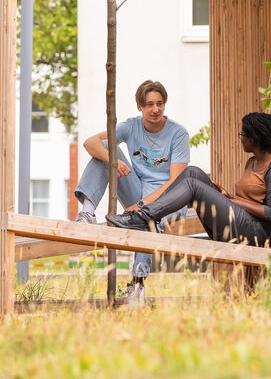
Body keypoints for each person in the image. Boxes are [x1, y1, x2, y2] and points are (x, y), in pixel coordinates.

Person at [73, 79, 191, 302]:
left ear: (165, 104)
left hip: (170, 198)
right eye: (149, 104)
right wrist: (113, 161)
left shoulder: (178, 134)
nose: (155, 109)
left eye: (159, 103)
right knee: (105, 146)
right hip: (138, 189)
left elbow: (177, 182)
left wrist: (141, 206)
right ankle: (87, 213)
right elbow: (90, 143)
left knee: (147, 220)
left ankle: (137, 284)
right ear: (139, 106)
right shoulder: (131, 126)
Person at [107, 112, 271, 250]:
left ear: (253, 138)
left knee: (192, 185)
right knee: (192, 172)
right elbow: (250, 200)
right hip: (238, 221)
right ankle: (148, 217)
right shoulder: (252, 162)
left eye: (242, 134)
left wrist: (232, 201)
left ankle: (143, 216)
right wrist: (228, 197)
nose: (240, 138)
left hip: (254, 234)